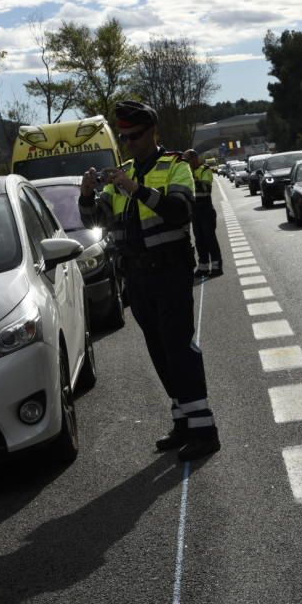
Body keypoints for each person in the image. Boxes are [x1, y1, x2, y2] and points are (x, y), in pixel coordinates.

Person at [78, 100, 221, 461]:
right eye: (124, 138)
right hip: (136, 277)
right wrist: (85, 196)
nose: (129, 143)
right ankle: (183, 421)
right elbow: (98, 219)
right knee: (159, 351)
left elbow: (179, 212)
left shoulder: (174, 166)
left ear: (152, 132)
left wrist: (137, 189)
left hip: (171, 271)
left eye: (135, 136)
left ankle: (204, 430)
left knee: (179, 348)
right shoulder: (121, 172)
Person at [183, 149, 223, 278]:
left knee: (209, 238)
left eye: (187, 160)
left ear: (195, 159)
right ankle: (203, 267)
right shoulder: (188, 172)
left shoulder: (205, 170)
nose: (186, 164)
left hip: (205, 209)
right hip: (195, 211)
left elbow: (205, 188)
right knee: (199, 240)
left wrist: (191, 180)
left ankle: (217, 266)